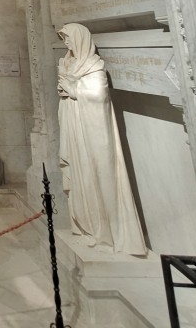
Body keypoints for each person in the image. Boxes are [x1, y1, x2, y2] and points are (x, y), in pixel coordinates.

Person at [57, 23, 146, 255]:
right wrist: (66, 87)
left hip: (93, 133)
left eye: (68, 37)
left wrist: (71, 89)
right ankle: (88, 227)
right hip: (75, 128)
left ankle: (107, 233)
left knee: (99, 177)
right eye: (64, 38)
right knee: (82, 177)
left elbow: (97, 96)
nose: (66, 42)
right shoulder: (69, 64)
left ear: (80, 39)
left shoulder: (94, 67)